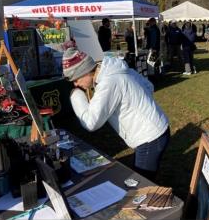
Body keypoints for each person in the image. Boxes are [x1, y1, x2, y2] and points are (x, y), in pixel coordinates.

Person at [62, 47, 170, 180]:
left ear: (85, 71)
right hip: (155, 130)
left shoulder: (109, 82)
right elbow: (149, 86)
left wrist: (76, 96)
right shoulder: (116, 69)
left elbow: (90, 123)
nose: (75, 84)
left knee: (143, 184)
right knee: (142, 177)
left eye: (76, 79)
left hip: (150, 137)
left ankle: (158, 198)